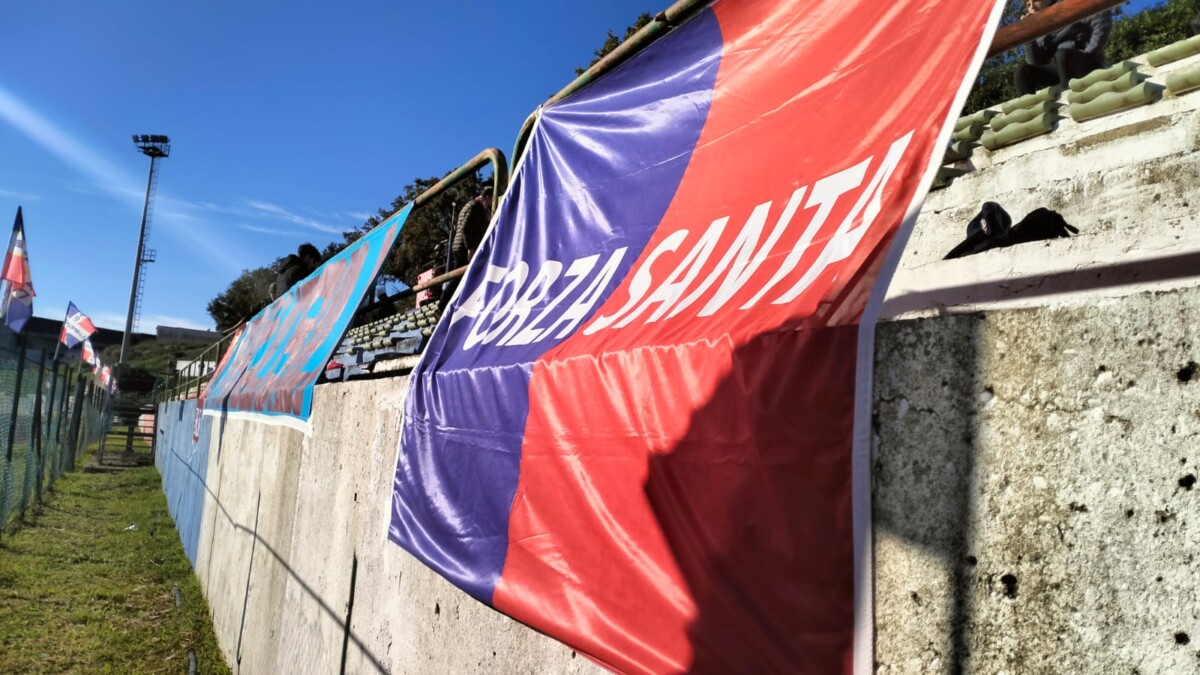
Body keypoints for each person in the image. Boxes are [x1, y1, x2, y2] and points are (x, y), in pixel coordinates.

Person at [1013, 0, 1112, 96]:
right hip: (1060, 68)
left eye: (1035, 1)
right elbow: (1036, 62)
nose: (1032, 7)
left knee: (1062, 54)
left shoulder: (1068, 5)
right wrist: (1028, 35)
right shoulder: (1039, 29)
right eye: (1028, 4)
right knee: (1022, 72)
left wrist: (1089, 53)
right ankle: (1030, 111)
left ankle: (1070, 97)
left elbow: (1101, 20)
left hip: (1085, 62)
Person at [451, 185, 493, 269]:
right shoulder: (476, 206)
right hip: (464, 248)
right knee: (460, 276)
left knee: (459, 276)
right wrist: (470, 248)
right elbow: (465, 227)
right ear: (488, 197)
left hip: (459, 245)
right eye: (493, 198)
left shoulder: (472, 204)